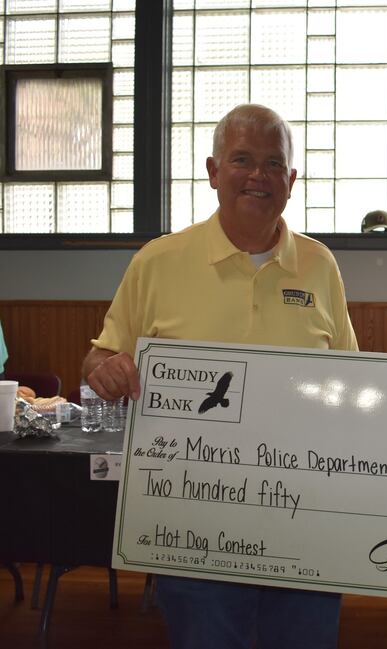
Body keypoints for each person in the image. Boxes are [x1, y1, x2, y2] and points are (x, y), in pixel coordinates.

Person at [82, 104, 358, 649]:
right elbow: (96, 360)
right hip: (192, 526)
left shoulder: (320, 265)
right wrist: (106, 370)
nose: (259, 175)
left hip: (304, 522)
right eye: (242, 160)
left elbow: (348, 378)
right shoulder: (158, 261)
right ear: (213, 172)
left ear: (292, 180)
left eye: (274, 164)